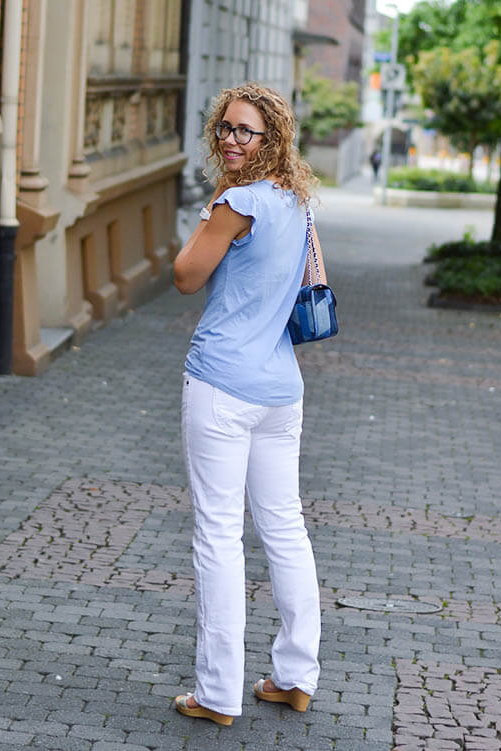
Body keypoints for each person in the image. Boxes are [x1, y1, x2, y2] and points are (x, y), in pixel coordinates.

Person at [172, 82, 323, 726]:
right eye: (225, 129)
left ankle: (216, 693)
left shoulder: (235, 203)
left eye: (246, 132)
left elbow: (185, 275)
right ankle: (295, 675)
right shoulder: (299, 203)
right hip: (280, 389)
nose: (232, 141)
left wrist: (210, 213)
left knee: (218, 533)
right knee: (284, 527)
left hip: (223, 385)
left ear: (272, 141)